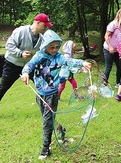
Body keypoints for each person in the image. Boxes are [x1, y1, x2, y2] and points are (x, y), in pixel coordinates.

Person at [21, 29, 91, 159]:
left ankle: (45, 149)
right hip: (39, 94)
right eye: (51, 47)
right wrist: (25, 73)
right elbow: (29, 65)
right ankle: (61, 130)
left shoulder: (59, 57)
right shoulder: (39, 56)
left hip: (52, 95)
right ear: (44, 46)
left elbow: (69, 61)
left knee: (47, 122)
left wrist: (83, 63)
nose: (54, 50)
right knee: (48, 119)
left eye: (57, 47)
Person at [0, 13, 53, 119]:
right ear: (37, 22)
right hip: (12, 64)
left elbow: (41, 53)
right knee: (4, 87)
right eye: (45, 25)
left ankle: (47, 108)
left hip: (28, 65)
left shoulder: (41, 38)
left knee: (40, 83)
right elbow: (9, 45)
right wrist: (20, 53)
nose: (46, 27)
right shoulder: (21, 31)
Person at [103, 8, 121, 88]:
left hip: (118, 50)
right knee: (108, 67)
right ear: (119, 15)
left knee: (120, 67)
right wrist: (110, 46)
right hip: (108, 49)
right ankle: (104, 84)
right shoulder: (113, 24)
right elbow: (106, 36)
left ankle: (118, 83)